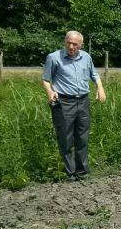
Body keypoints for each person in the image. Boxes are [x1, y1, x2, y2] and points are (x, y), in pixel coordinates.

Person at [42, 30, 106, 181]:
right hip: (64, 102)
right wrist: (50, 92)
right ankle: (70, 173)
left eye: (75, 44)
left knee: (82, 138)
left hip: (83, 101)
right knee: (66, 139)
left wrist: (100, 88)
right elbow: (45, 79)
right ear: (65, 42)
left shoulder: (86, 57)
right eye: (68, 43)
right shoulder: (54, 57)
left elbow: (94, 74)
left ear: (81, 45)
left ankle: (82, 172)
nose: (71, 47)